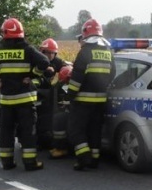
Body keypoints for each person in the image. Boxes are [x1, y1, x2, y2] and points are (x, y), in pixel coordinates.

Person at [0, 18, 53, 171]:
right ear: (20, 32)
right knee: (28, 132)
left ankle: (7, 162)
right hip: (26, 100)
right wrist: (32, 75)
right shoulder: (27, 49)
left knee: (6, 132)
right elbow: (45, 61)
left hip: (6, 101)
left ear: (5, 33)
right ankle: (30, 163)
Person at [66, 18, 115, 171]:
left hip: (82, 101)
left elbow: (77, 78)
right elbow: (113, 73)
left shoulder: (85, 51)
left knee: (75, 130)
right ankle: (94, 159)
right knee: (95, 130)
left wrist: (70, 96)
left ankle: (84, 158)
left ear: (85, 34)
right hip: (100, 100)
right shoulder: (107, 51)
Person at [35, 38, 71, 151]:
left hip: (54, 95)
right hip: (38, 94)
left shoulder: (58, 62)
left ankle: (52, 141)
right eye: (47, 52)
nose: (50, 55)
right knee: (39, 119)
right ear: (42, 52)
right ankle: (38, 141)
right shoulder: (36, 61)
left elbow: (67, 69)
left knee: (52, 118)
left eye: (52, 53)